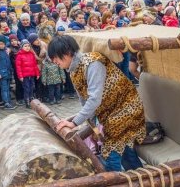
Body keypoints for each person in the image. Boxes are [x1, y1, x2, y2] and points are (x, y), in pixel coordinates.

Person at [48, 35, 146, 171]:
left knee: (111, 155)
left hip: (125, 109)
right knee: (125, 152)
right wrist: (74, 120)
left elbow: (94, 99)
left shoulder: (93, 62)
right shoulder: (73, 70)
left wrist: (74, 122)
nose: (54, 61)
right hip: (111, 111)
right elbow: (85, 101)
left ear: (67, 52)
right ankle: (143, 182)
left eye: (55, 57)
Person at [0, 35, 16, 110]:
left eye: (2, 44)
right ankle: (6, 102)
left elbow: (8, 62)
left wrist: (11, 70)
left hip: (7, 73)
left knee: (7, 88)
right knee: (4, 89)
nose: (1, 45)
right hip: (1, 74)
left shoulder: (6, 51)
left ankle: (8, 101)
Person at [15, 39, 40, 108]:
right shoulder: (19, 55)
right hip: (25, 76)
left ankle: (32, 100)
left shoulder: (31, 54)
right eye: (25, 46)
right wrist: (20, 76)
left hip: (31, 75)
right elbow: (18, 67)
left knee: (32, 87)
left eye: (28, 46)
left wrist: (37, 73)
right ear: (22, 47)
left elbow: (35, 65)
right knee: (27, 89)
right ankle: (27, 101)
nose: (27, 47)